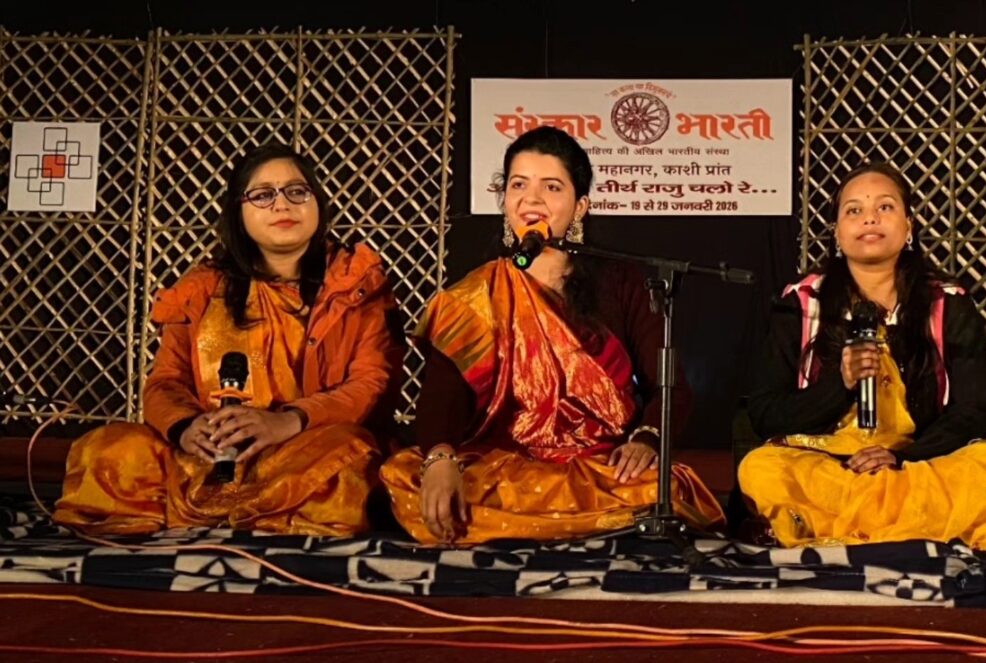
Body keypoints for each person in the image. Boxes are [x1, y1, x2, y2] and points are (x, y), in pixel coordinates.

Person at [380, 126, 725, 545]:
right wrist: (439, 458)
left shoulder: (621, 282)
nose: (532, 199)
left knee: (662, 489)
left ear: (580, 207)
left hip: (599, 466)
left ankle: (525, 527)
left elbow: (672, 390)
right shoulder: (474, 296)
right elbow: (442, 397)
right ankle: (589, 526)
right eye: (518, 184)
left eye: (552, 187)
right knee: (407, 477)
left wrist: (647, 439)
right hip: (506, 465)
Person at [54, 143, 404, 537]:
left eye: (297, 191)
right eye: (263, 195)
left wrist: (287, 421)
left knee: (350, 456)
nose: (282, 205)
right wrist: (187, 428)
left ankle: (239, 513)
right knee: (107, 448)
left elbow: (372, 383)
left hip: (305, 447)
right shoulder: (201, 288)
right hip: (210, 455)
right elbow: (166, 382)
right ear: (238, 211)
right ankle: (250, 512)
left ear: (318, 203)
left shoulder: (356, 284)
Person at [738, 161, 986, 552]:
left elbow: (975, 409)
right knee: (761, 468)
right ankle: (910, 528)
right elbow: (765, 414)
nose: (869, 218)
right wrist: (841, 385)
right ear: (837, 233)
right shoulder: (801, 303)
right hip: (833, 467)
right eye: (854, 210)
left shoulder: (947, 303)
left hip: (917, 465)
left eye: (885, 207)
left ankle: (844, 529)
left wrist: (899, 456)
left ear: (909, 227)